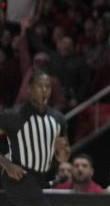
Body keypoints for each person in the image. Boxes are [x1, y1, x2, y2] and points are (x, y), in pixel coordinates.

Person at [0, 72, 70, 206]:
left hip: (42, 179)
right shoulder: (13, 116)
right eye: (40, 86)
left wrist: (61, 150)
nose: (44, 90)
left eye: (48, 87)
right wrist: (7, 165)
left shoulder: (58, 119)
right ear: (29, 89)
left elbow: (63, 158)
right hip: (18, 177)